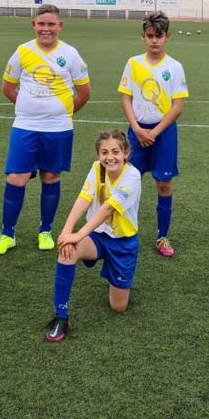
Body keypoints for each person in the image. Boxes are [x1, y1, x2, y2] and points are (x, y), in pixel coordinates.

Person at [0, 4, 91, 255]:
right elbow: (7, 87)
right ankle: (7, 234)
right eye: (41, 24)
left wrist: (62, 114)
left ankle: (45, 231)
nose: (46, 29)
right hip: (25, 126)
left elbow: (84, 93)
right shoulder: (22, 51)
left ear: (60, 26)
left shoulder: (70, 54)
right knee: (16, 178)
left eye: (51, 24)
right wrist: (27, 109)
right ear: (33, 25)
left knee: (51, 177)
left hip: (58, 129)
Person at [45, 130, 142, 342]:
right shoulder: (97, 168)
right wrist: (67, 233)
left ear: (126, 153)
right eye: (104, 152)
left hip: (123, 244)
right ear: (99, 154)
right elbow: (84, 198)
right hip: (97, 237)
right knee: (67, 251)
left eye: (115, 151)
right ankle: (61, 316)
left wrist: (78, 234)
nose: (110, 157)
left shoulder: (133, 176)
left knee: (118, 307)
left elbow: (108, 209)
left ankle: (113, 274)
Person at [119, 12, 188, 257]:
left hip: (164, 133)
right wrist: (137, 129)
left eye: (159, 36)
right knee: (129, 182)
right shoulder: (133, 63)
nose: (154, 41)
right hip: (136, 131)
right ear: (143, 37)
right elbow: (126, 98)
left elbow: (177, 107)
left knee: (164, 184)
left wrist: (155, 132)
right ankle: (125, 231)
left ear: (167, 37)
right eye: (150, 36)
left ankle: (162, 236)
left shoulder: (175, 67)